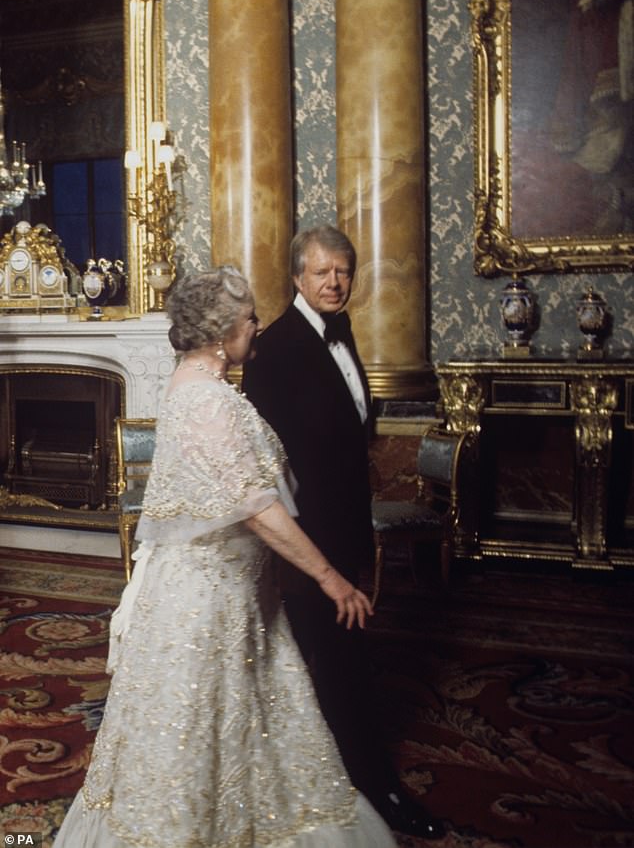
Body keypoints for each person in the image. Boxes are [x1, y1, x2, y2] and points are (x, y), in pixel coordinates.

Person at [53, 266, 397, 848]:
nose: (257, 327)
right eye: (249, 319)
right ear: (221, 332)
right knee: (199, 731)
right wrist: (330, 578)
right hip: (205, 604)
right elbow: (257, 509)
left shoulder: (198, 386)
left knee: (240, 726)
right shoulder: (208, 401)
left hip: (232, 594)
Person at [242, 225, 444, 840]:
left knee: (337, 657)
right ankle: (375, 784)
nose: (334, 282)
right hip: (306, 540)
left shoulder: (343, 329)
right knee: (339, 663)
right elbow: (267, 466)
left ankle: (340, 760)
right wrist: (309, 557)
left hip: (345, 527)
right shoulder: (272, 349)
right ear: (297, 278)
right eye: (322, 272)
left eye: (344, 272)